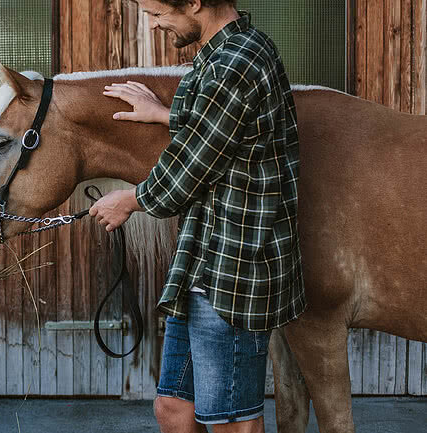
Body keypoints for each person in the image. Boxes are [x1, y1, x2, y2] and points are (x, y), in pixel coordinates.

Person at [90, 1, 305, 432]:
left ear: (194, 3)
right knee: (173, 409)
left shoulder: (237, 61)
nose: (153, 26)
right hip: (201, 262)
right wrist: (165, 113)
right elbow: (227, 127)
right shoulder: (221, 54)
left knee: (232, 423)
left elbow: (191, 170)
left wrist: (129, 200)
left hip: (234, 271)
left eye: (156, 14)